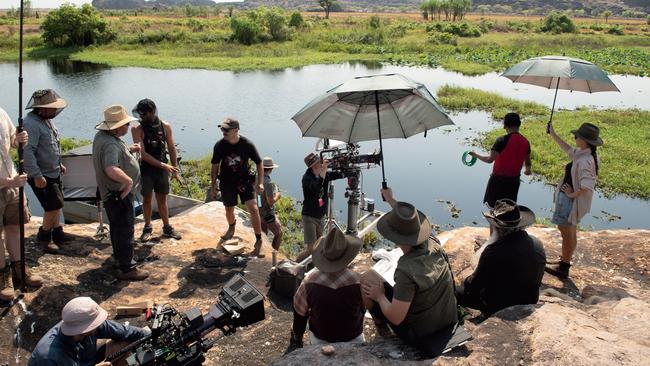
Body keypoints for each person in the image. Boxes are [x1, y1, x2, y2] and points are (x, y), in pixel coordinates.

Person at [361, 188, 457, 345]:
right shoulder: (432, 243)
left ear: (395, 237)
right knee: (374, 280)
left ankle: (383, 330)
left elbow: (396, 318)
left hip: (420, 333)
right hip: (446, 320)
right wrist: (391, 200)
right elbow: (409, 222)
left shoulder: (407, 271)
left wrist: (379, 296)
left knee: (367, 279)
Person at [456, 199, 546, 315]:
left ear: (497, 229)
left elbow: (474, 286)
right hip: (530, 300)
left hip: (499, 306)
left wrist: (468, 279)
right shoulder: (536, 243)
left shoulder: (493, 252)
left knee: (454, 291)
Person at [93, 105, 149, 281]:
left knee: (117, 228)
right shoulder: (110, 143)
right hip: (118, 193)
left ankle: (121, 259)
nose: (128, 127)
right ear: (117, 127)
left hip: (111, 193)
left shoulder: (103, 137)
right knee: (125, 229)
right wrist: (129, 181)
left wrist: (128, 151)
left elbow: (112, 155)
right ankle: (127, 268)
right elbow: (111, 168)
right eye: (126, 124)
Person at [288, 227, 364, 352]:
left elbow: (300, 312)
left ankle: (297, 338)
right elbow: (363, 308)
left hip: (321, 339)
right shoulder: (358, 280)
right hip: (354, 338)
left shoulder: (309, 281)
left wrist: (298, 335)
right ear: (347, 256)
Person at [545, 122, 602, 279]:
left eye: (576, 136)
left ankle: (563, 267)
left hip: (569, 202)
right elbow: (568, 149)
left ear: (584, 140)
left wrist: (571, 194)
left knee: (566, 232)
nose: (574, 138)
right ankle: (565, 261)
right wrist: (553, 134)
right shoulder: (585, 153)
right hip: (570, 201)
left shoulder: (585, 161)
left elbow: (587, 185)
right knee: (571, 231)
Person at [29, 297, 150, 366]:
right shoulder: (49, 358)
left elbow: (125, 332)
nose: (100, 323)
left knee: (124, 343)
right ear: (85, 328)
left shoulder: (83, 322)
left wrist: (152, 335)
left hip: (86, 362)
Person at [0, 107, 43, 301]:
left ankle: (19, 268)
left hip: (12, 181)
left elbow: (12, 142)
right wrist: (7, 182)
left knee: (14, 228)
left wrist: (20, 139)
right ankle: (3, 276)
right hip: (8, 182)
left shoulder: (1, 112)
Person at [23, 89, 71, 253]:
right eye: (51, 107)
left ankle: (57, 233)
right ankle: (43, 238)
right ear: (41, 108)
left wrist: (59, 164)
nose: (55, 110)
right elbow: (27, 151)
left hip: (53, 171)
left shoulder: (46, 120)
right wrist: (36, 175)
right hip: (41, 174)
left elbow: (51, 144)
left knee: (57, 204)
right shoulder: (31, 123)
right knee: (53, 206)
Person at [210, 118, 266, 257]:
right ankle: (231, 227)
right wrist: (213, 186)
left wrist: (260, 182)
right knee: (229, 208)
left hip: (244, 180)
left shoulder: (247, 144)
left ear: (236, 130)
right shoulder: (220, 145)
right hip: (227, 181)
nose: (223, 132)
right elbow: (215, 166)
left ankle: (258, 239)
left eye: (226, 130)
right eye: (222, 129)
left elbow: (259, 163)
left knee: (253, 208)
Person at [131, 99, 181, 241]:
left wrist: (174, 167)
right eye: (140, 114)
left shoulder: (165, 126)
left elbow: (171, 147)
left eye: (144, 114)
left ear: (152, 112)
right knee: (147, 199)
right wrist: (164, 166)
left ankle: (167, 227)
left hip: (162, 170)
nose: (142, 118)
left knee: (162, 200)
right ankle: (147, 227)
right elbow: (143, 154)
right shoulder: (136, 129)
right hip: (147, 170)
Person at [470, 112, 532, 209]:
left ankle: (494, 224)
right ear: (519, 124)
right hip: (514, 182)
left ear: (505, 125)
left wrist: (475, 154)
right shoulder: (525, 141)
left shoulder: (502, 140)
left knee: (494, 209)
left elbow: (490, 160)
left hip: (498, 181)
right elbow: (528, 162)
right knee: (508, 209)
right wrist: (528, 170)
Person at [295, 153, 343, 263]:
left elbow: (336, 175)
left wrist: (345, 170)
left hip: (321, 216)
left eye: (321, 162)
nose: (321, 164)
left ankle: (313, 266)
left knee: (319, 246)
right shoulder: (307, 178)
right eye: (318, 163)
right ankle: (295, 264)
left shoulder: (322, 174)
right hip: (309, 217)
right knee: (311, 248)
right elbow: (316, 188)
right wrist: (324, 171)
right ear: (313, 166)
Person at [259, 157, 283, 251]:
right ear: (271, 169)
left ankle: (264, 252)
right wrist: (278, 195)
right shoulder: (268, 183)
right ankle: (274, 254)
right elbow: (270, 202)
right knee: (279, 233)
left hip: (259, 210)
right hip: (266, 213)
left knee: (264, 233)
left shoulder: (257, 177)